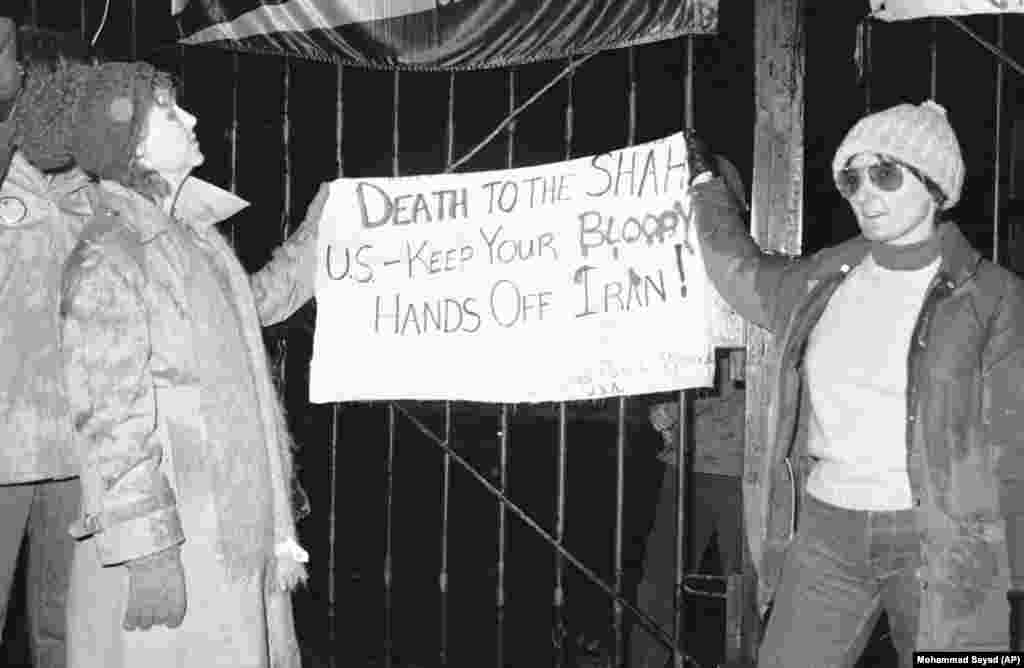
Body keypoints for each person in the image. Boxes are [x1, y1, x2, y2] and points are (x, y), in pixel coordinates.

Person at [686, 100, 1024, 666]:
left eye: (885, 173)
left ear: (935, 185)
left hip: (943, 543)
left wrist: (1007, 574)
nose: (865, 191)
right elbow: (739, 271)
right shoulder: (826, 277)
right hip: (827, 531)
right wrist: (704, 187)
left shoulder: (994, 297)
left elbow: (1014, 440)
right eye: (852, 176)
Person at [38, 58, 322, 667]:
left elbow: (256, 304)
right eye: (169, 109)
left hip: (224, 528)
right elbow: (109, 422)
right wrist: (149, 553)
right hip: (178, 545)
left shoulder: (190, 243)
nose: (191, 117)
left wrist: (319, 236)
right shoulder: (109, 257)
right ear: (134, 143)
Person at [0, 22, 100, 668]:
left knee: (60, 623)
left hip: (71, 446)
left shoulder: (92, 191)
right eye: (60, 89)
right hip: (3, 445)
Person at [629, 157, 749, 668]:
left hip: (743, 465)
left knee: (751, 594)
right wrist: (657, 402)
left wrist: (691, 402)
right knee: (657, 592)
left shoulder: (747, 268)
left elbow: (755, 372)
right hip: (685, 462)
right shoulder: (673, 274)